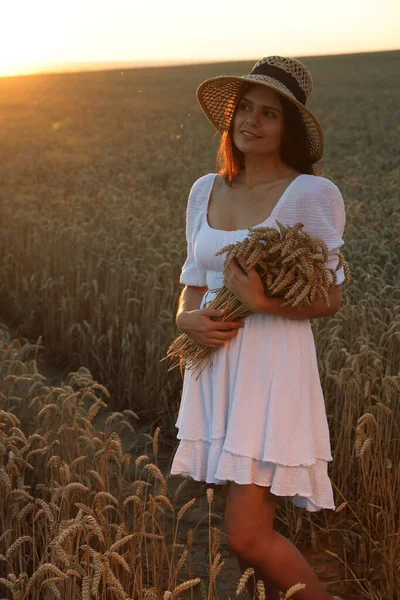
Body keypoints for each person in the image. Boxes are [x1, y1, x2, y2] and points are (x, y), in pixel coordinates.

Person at [170, 56, 346, 600]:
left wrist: (262, 300)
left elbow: (331, 296)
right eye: (244, 108)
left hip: (271, 374)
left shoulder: (310, 195)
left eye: (268, 113)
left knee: (246, 536)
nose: (250, 120)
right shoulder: (206, 189)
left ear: (287, 128)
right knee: (247, 533)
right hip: (216, 367)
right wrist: (184, 317)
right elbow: (193, 279)